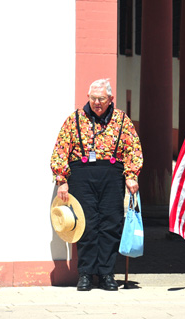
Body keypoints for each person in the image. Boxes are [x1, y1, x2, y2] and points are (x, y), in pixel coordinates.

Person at [50, 79, 143, 291]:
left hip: (112, 176)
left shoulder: (122, 121)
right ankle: (85, 274)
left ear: (110, 99)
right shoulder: (74, 120)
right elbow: (61, 150)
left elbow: (133, 149)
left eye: (101, 99)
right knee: (86, 225)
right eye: (93, 98)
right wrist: (62, 180)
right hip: (82, 176)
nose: (97, 103)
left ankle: (106, 274)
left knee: (111, 224)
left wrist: (131, 175)